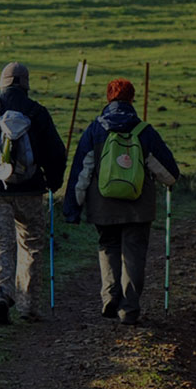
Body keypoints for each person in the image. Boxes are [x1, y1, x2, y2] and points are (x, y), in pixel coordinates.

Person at [62, 78, 181, 325]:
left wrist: (72, 210)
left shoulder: (95, 130)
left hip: (103, 205)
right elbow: (169, 174)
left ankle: (110, 295)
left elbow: (80, 174)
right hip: (138, 206)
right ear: (131, 98)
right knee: (134, 253)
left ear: (108, 98)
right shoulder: (144, 131)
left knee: (108, 245)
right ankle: (129, 308)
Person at [0, 62, 68, 325]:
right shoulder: (37, 113)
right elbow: (56, 153)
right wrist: (53, 182)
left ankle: (1, 295)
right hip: (30, 190)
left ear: (2, 83)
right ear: (26, 85)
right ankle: (29, 306)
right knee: (30, 246)